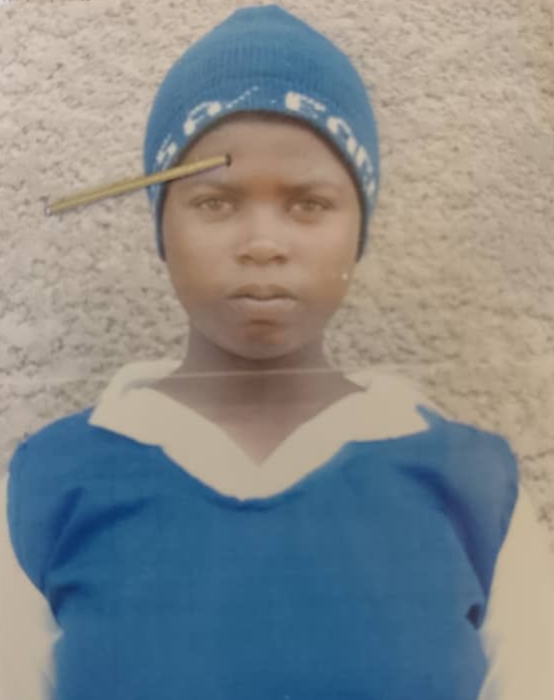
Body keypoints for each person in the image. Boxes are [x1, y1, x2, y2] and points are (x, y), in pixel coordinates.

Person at [1, 5, 553, 700]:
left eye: (308, 204)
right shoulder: (46, 490)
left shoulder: (476, 490)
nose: (263, 242)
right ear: (162, 227)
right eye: (216, 202)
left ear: (359, 228)